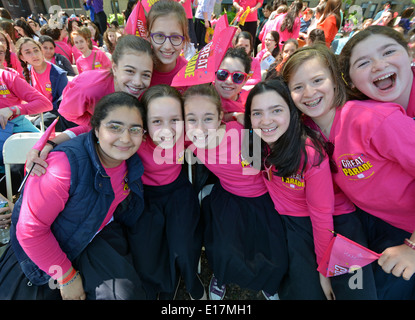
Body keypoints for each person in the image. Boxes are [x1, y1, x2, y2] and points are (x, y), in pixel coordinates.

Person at [282, 43, 415, 300]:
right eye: (298, 87)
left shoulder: (373, 120)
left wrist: (413, 247)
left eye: (317, 80)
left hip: (405, 230)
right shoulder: (307, 128)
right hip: (363, 220)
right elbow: (259, 133)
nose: (309, 93)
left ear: (335, 80)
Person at [0, 92, 147, 300]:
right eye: (114, 127)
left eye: (135, 129)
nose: (125, 138)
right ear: (96, 129)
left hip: (91, 237)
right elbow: (30, 232)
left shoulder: (129, 163)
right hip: (41, 253)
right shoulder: (62, 167)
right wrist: (67, 277)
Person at [183, 83, 288, 300]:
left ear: (220, 116)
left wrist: (241, 119)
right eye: (191, 119)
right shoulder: (189, 142)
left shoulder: (242, 134)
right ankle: (221, 278)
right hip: (228, 197)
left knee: (271, 249)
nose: (200, 127)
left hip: (263, 198)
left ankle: (268, 283)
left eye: (208, 119)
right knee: (222, 248)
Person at [28, 35, 153, 174]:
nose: (137, 82)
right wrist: (95, 124)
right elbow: (66, 112)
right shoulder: (88, 88)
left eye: (146, 75)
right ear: (115, 68)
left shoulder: (147, 92)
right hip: (79, 118)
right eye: (129, 71)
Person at [128, 84, 204, 300]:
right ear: (144, 122)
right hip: (144, 196)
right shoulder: (136, 139)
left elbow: (215, 125)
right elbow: (93, 130)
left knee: (184, 243)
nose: (167, 129)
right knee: (147, 248)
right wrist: (49, 141)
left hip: (178, 192)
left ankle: (190, 278)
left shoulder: (186, 135)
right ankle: (161, 284)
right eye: (157, 121)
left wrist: (234, 114)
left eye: (174, 120)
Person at [338, 25, 414, 118]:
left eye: (388, 52)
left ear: (410, 54)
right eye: (363, 63)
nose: (379, 66)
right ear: (350, 82)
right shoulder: (355, 117)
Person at [16, 37, 69, 130]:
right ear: (22, 57)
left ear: (41, 51)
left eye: (36, 50)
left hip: (56, 114)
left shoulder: (58, 74)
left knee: (37, 125)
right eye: (28, 52)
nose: (34, 55)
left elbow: (64, 105)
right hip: (37, 113)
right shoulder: (27, 72)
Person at [147, 0, 189, 87]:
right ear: (148, 37)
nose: (167, 46)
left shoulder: (189, 75)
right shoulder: (138, 71)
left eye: (175, 37)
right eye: (159, 35)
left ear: (184, 40)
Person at [214, 47, 251, 122]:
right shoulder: (203, 96)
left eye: (237, 76)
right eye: (223, 73)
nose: (229, 81)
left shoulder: (250, 104)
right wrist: (234, 115)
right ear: (214, 74)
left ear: (245, 80)